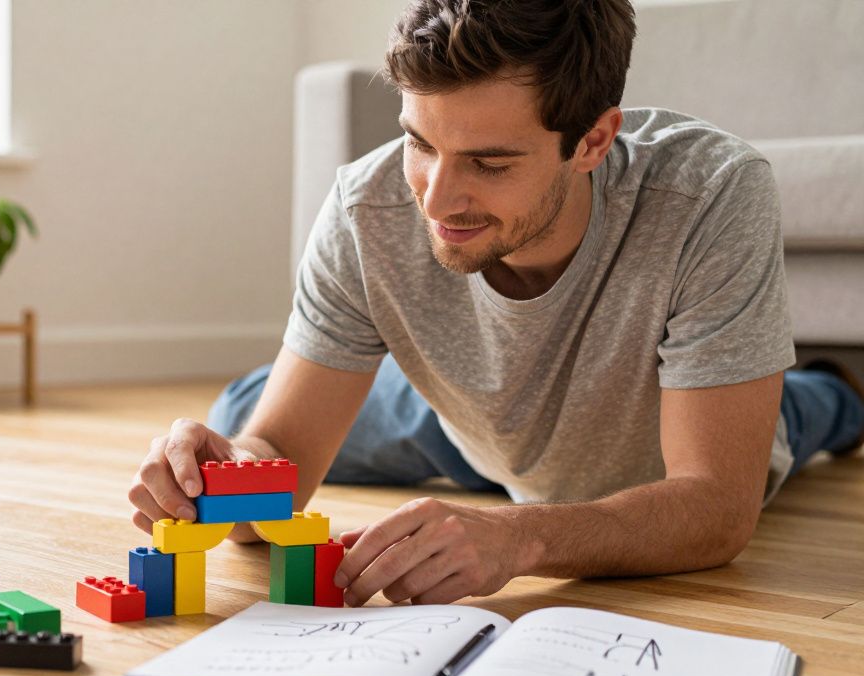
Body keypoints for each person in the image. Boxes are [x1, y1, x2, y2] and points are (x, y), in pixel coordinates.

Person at [126, 0, 864, 608]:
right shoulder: (366, 208)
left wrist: (518, 537)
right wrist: (225, 475)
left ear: (594, 140)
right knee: (236, 414)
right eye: (419, 143)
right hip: (467, 423)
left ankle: (831, 388)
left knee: (800, 412)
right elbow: (272, 483)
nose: (436, 199)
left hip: (649, 435)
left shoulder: (712, 194)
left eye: (489, 162)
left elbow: (716, 510)